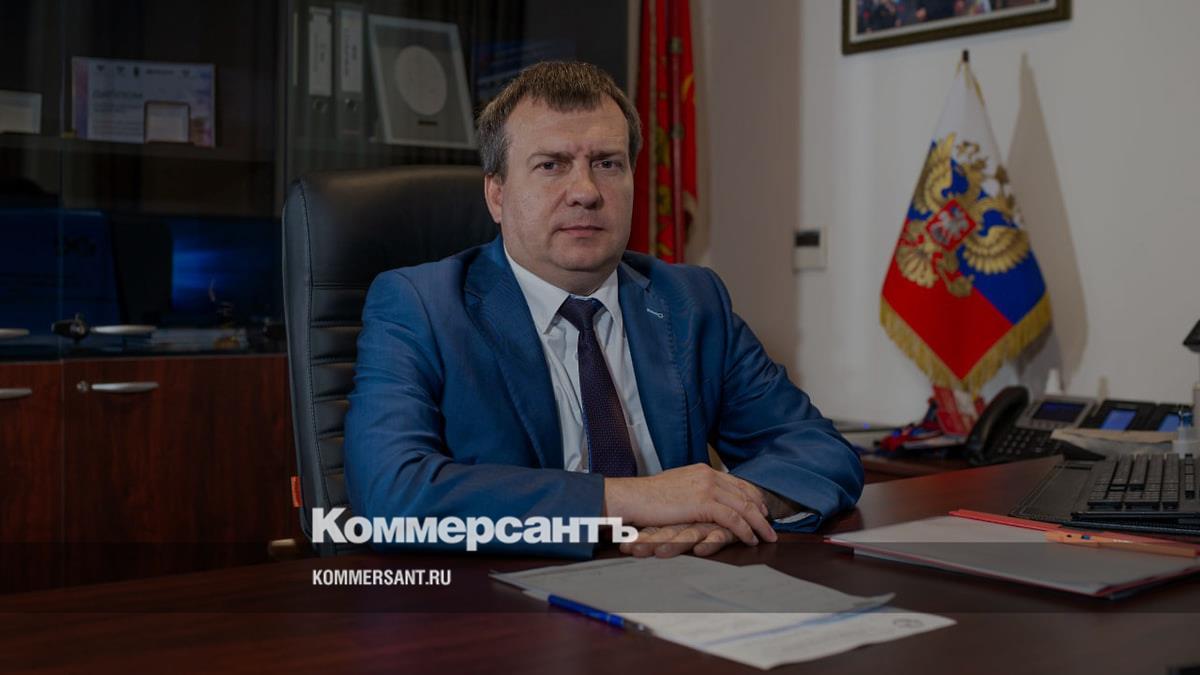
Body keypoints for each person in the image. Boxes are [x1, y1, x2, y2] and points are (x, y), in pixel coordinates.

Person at [344, 61, 862, 559]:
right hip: (504, 600)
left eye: (607, 164)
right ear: (496, 194)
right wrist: (632, 499)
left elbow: (818, 449)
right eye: (551, 165)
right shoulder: (421, 306)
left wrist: (731, 505)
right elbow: (391, 493)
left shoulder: (690, 299)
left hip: (678, 584)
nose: (586, 192)